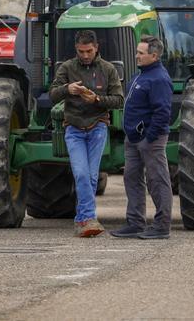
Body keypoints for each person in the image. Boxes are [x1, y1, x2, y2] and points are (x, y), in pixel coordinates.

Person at [48, 30, 125, 237]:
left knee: (91, 176)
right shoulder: (67, 68)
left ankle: (84, 219)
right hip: (73, 128)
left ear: (96, 47)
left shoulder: (108, 69)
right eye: (81, 51)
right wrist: (67, 89)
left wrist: (97, 100)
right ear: (76, 49)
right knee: (81, 174)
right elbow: (53, 95)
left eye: (88, 51)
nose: (85, 55)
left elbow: (119, 100)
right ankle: (87, 219)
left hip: (98, 126)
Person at [111, 35, 174, 240]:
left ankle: (162, 226)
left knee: (157, 181)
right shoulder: (140, 76)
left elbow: (163, 112)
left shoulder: (159, 79)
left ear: (154, 56)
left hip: (150, 140)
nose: (136, 56)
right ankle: (135, 222)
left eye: (140, 53)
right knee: (132, 178)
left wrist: (149, 137)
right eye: (137, 52)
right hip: (133, 139)